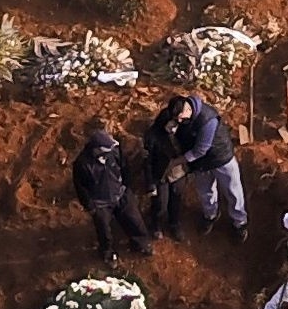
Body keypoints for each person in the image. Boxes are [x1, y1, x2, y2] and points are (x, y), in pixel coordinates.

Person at [168, 93, 247, 242]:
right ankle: (210, 215)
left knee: (233, 191)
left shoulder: (208, 120)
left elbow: (200, 150)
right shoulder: (182, 117)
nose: (179, 120)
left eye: (180, 117)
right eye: (176, 118)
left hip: (220, 158)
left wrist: (177, 162)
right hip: (201, 163)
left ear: (188, 110)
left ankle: (239, 222)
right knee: (205, 191)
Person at [72, 120, 152, 264]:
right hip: (100, 203)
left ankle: (141, 244)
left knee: (135, 221)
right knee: (105, 231)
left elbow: (124, 167)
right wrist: (90, 207)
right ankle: (108, 253)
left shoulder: (114, 151)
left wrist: (126, 188)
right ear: (97, 149)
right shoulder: (82, 164)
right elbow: (81, 187)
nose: (110, 151)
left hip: (120, 194)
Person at [144, 103, 187, 241]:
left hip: (178, 171)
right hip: (161, 174)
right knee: (160, 204)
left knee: (176, 200)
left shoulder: (182, 131)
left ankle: (174, 224)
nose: (173, 127)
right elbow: (148, 161)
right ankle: (155, 225)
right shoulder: (152, 137)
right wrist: (150, 183)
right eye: (171, 124)